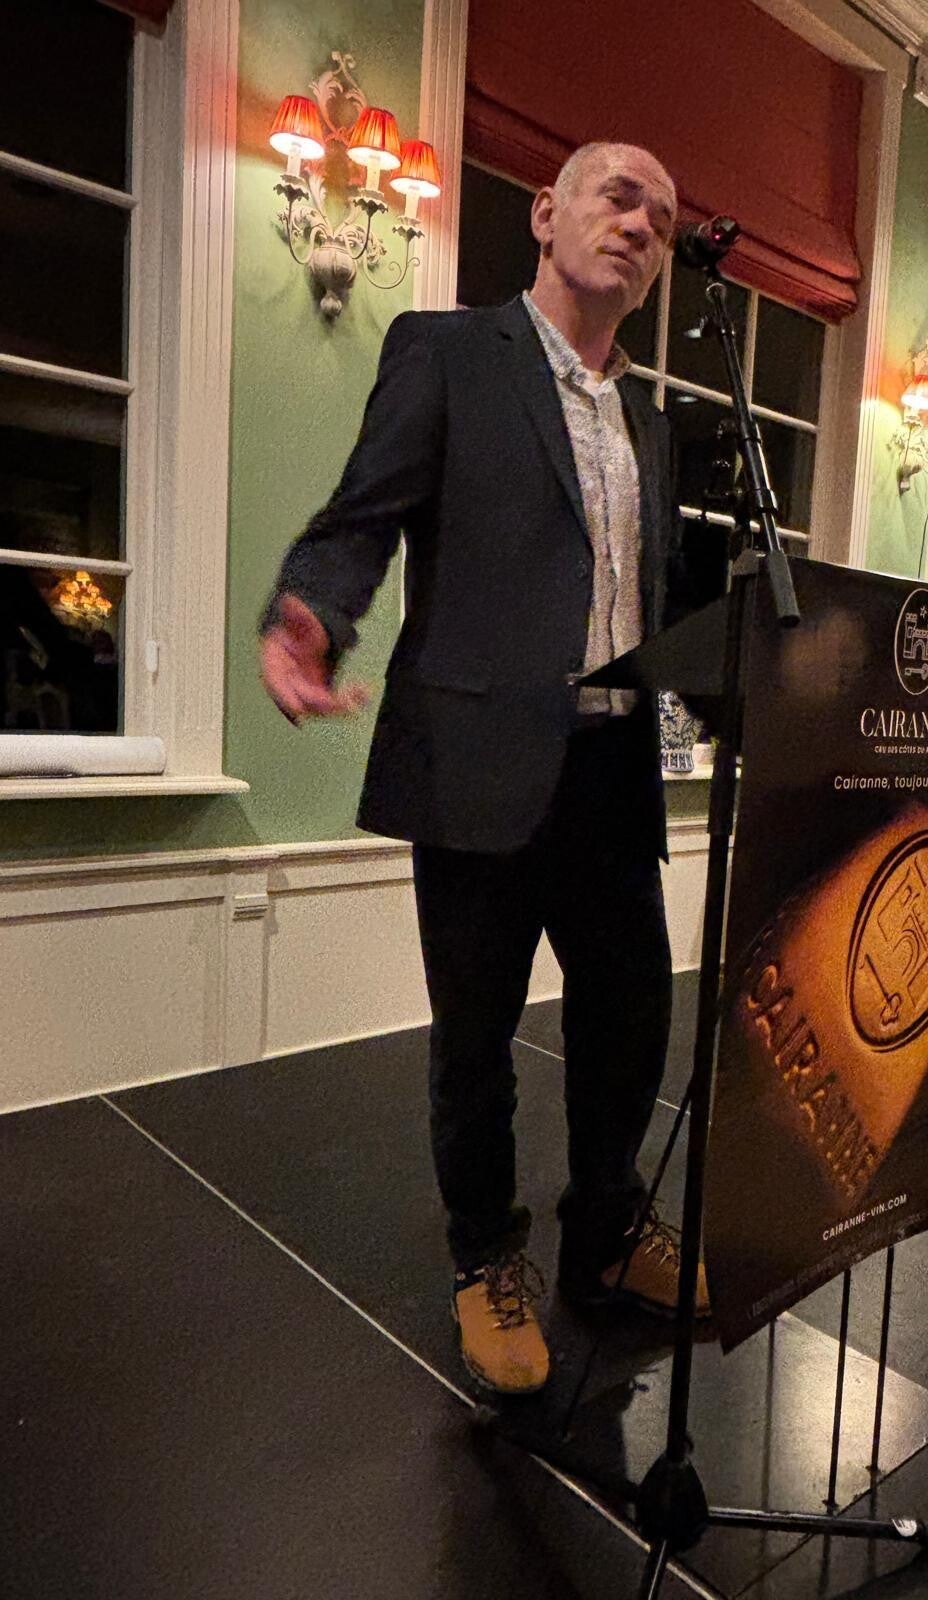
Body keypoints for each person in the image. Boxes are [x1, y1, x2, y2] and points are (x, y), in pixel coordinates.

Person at [259, 142, 711, 1396]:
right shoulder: (449, 353)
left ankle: (606, 1233)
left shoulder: (649, 423)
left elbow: (651, 594)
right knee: (476, 1042)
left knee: (632, 1019)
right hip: (477, 759)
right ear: (546, 213)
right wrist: (310, 615)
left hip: (613, 766)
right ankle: (486, 1259)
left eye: (664, 219)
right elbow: (363, 514)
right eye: (619, 195)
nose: (642, 225)